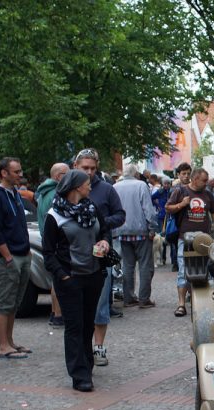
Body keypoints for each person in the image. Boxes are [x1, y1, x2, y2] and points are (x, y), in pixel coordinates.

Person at [42, 170, 109, 391]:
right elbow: (48, 252)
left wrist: (104, 242)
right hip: (70, 279)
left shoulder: (92, 208)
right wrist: (63, 275)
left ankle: (86, 365)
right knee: (74, 326)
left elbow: (104, 231)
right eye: (87, 183)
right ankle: (79, 375)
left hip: (94, 275)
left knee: (88, 323)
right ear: (76, 187)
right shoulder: (55, 215)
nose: (90, 186)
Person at [74, 148, 126, 367]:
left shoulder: (106, 189)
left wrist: (100, 223)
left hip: (100, 252)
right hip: (75, 254)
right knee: (77, 305)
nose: (89, 172)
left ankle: (99, 346)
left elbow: (120, 215)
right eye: (85, 168)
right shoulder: (67, 189)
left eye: (93, 168)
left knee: (101, 302)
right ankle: (80, 347)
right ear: (76, 166)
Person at [0, 157, 32, 359]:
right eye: (16, 172)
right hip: (8, 257)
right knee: (4, 302)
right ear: (4, 173)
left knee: (14, 302)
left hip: (22, 254)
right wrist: (8, 257)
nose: (20, 175)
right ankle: (3, 346)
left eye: (20, 171)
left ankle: (10, 342)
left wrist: (26, 251)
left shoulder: (15, 193)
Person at [165, 167, 214, 317]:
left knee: (207, 270)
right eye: (204, 180)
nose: (206, 183)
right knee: (183, 272)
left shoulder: (208, 194)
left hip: (205, 240)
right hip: (184, 239)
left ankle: (207, 303)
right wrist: (182, 204)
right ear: (195, 179)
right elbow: (168, 208)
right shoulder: (180, 191)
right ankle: (181, 304)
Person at [113, 164, 158, 309]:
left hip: (122, 231)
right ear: (136, 174)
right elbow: (148, 209)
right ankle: (144, 299)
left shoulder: (115, 187)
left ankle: (129, 298)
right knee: (145, 266)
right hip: (140, 231)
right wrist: (152, 228)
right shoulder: (141, 185)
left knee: (127, 266)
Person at [36, 163, 69, 326]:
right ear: (58, 176)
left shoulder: (43, 192)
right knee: (58, 279)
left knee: (55, 280)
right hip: (55, 242)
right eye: (66, 174)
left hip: (48, 240)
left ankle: (55, 312)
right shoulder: (56, 193)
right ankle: (58, 314)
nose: (69, 177)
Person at [152, 177, 172, 266]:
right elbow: (151, 198)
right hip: (161, 216)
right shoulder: (160, 192)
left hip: (170, 216)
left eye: (168, 183)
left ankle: (171, 258)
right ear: (162, 184)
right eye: (165, 183)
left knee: (170, 236)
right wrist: (157, 205)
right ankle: (162, 258)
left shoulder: (172, 191)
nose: (166, 185)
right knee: (162, 237)